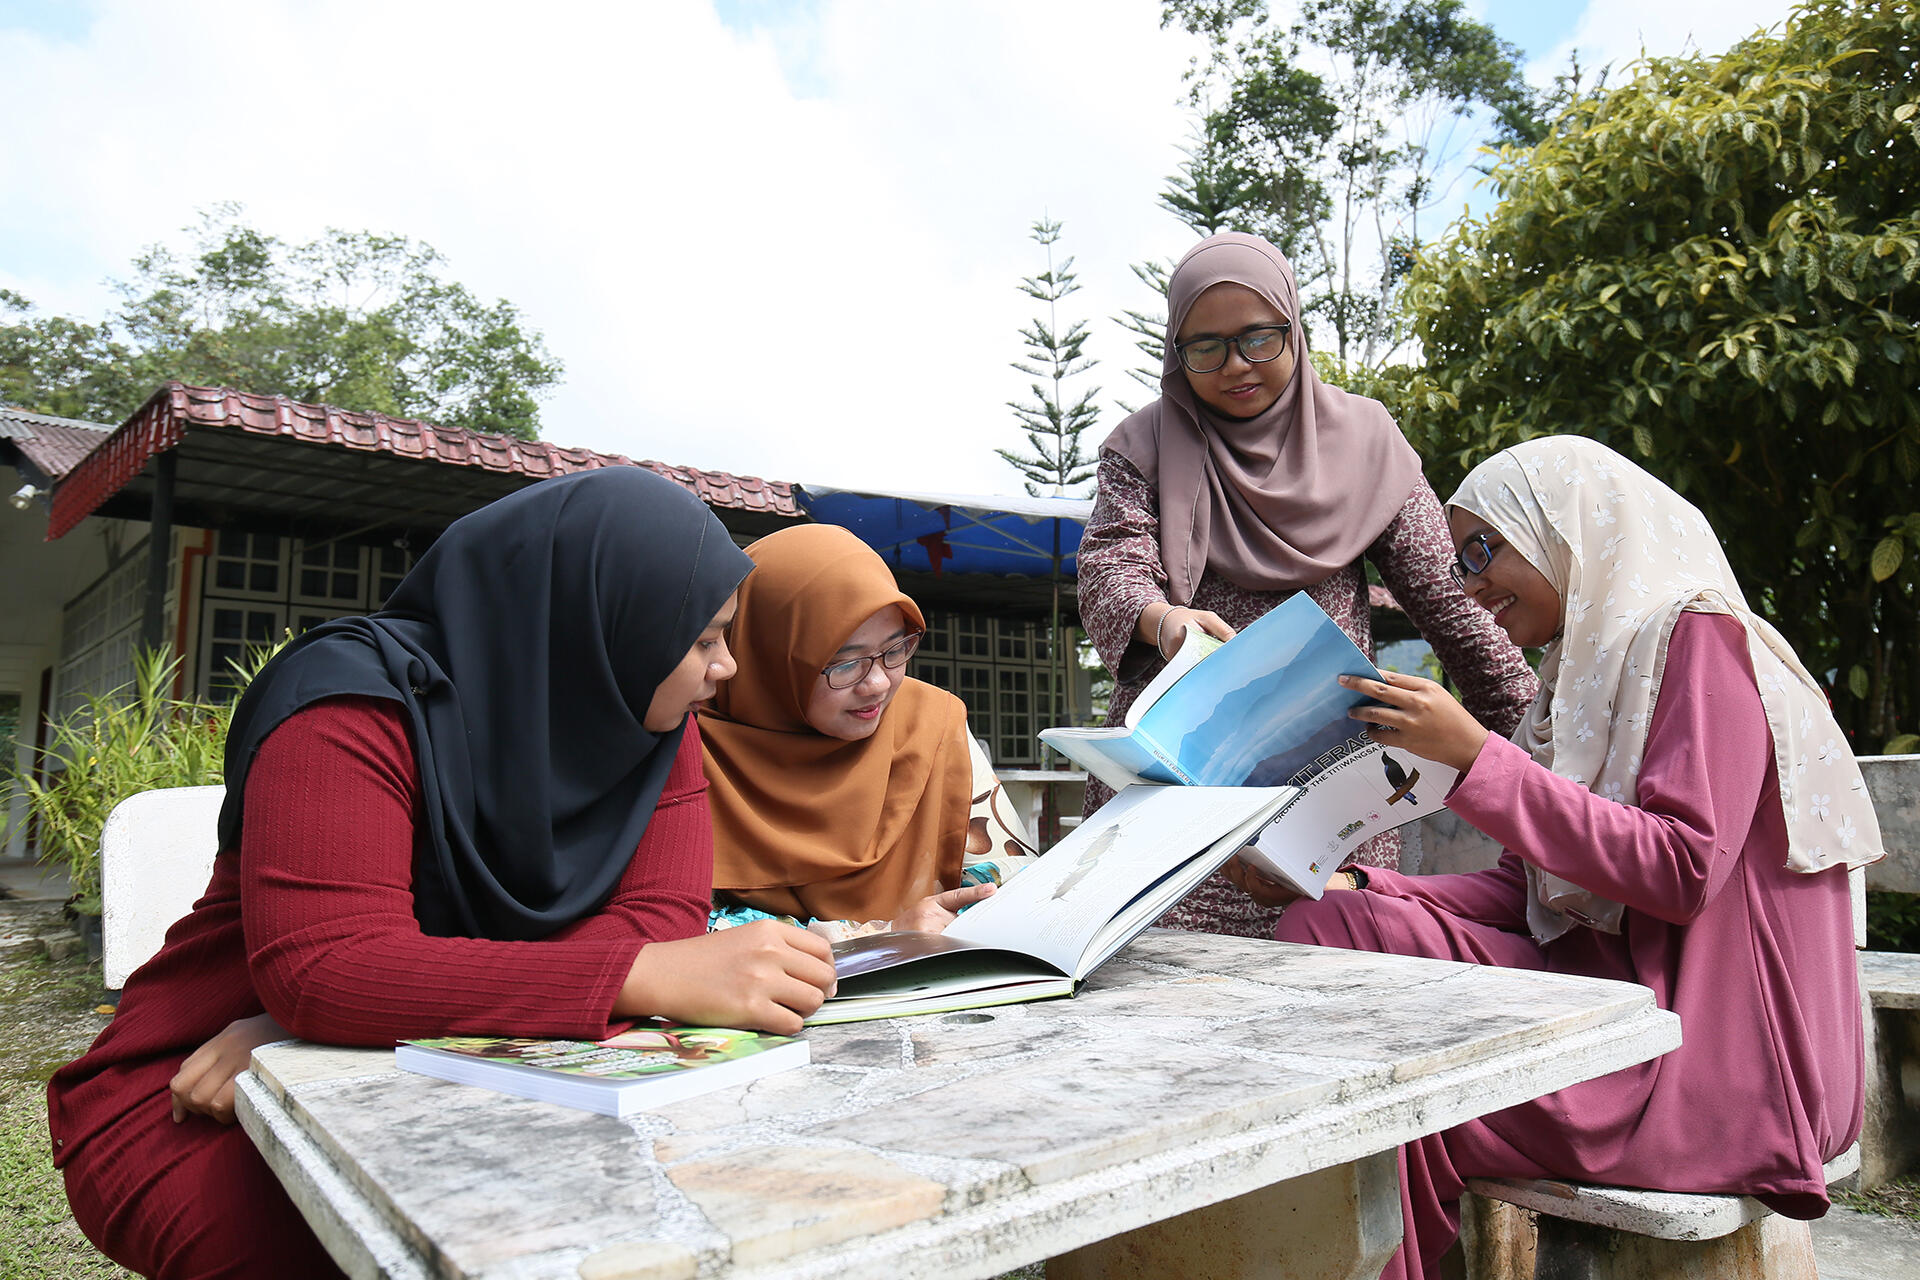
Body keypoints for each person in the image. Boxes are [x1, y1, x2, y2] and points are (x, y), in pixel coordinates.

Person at [46, 469, 838, 1279]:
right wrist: (322, 1012)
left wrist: (341, 1024)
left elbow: (659, 915)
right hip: (203, 1091)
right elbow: (329, 967)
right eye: (704, 639)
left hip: (426, 1074)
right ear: (594, 621)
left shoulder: (650, 726)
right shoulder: (349, 707)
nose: (727, 668)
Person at [1241, 436, 1880, 1280]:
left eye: (1484, 548)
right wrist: (1355, 878)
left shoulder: (1699, 638)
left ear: (1567, 529)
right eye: (1459, 555)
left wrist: (1477, 760)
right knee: (1329, 921)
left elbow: (1682, 869)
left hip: (1719, 1070)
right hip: (1624, 1005)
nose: (1468, 583)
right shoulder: (1581, 680)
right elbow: (1527, 892)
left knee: (1376, 1090)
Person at [1077, 231, 1538, 940]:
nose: (1235, 366)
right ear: (1176, 353)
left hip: (1325, 779)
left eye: (1258, 338)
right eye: (1205, 348)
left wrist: (1543, 764)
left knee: (1328, 973)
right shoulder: (1144, 448)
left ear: (1294, 327)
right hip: (1179, 774)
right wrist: (1163, 619)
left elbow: (1455, 610)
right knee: (1164, 999)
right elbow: (1112, 560)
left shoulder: (1366, 444)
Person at [699, 524, 1036, 939]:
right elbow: (681, 929)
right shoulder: (696, 753)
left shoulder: (931, 724)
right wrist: (883, 935)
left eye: (895, 650)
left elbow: (1012, 881)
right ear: (766, 661)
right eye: (844, 663)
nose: (877, 683)